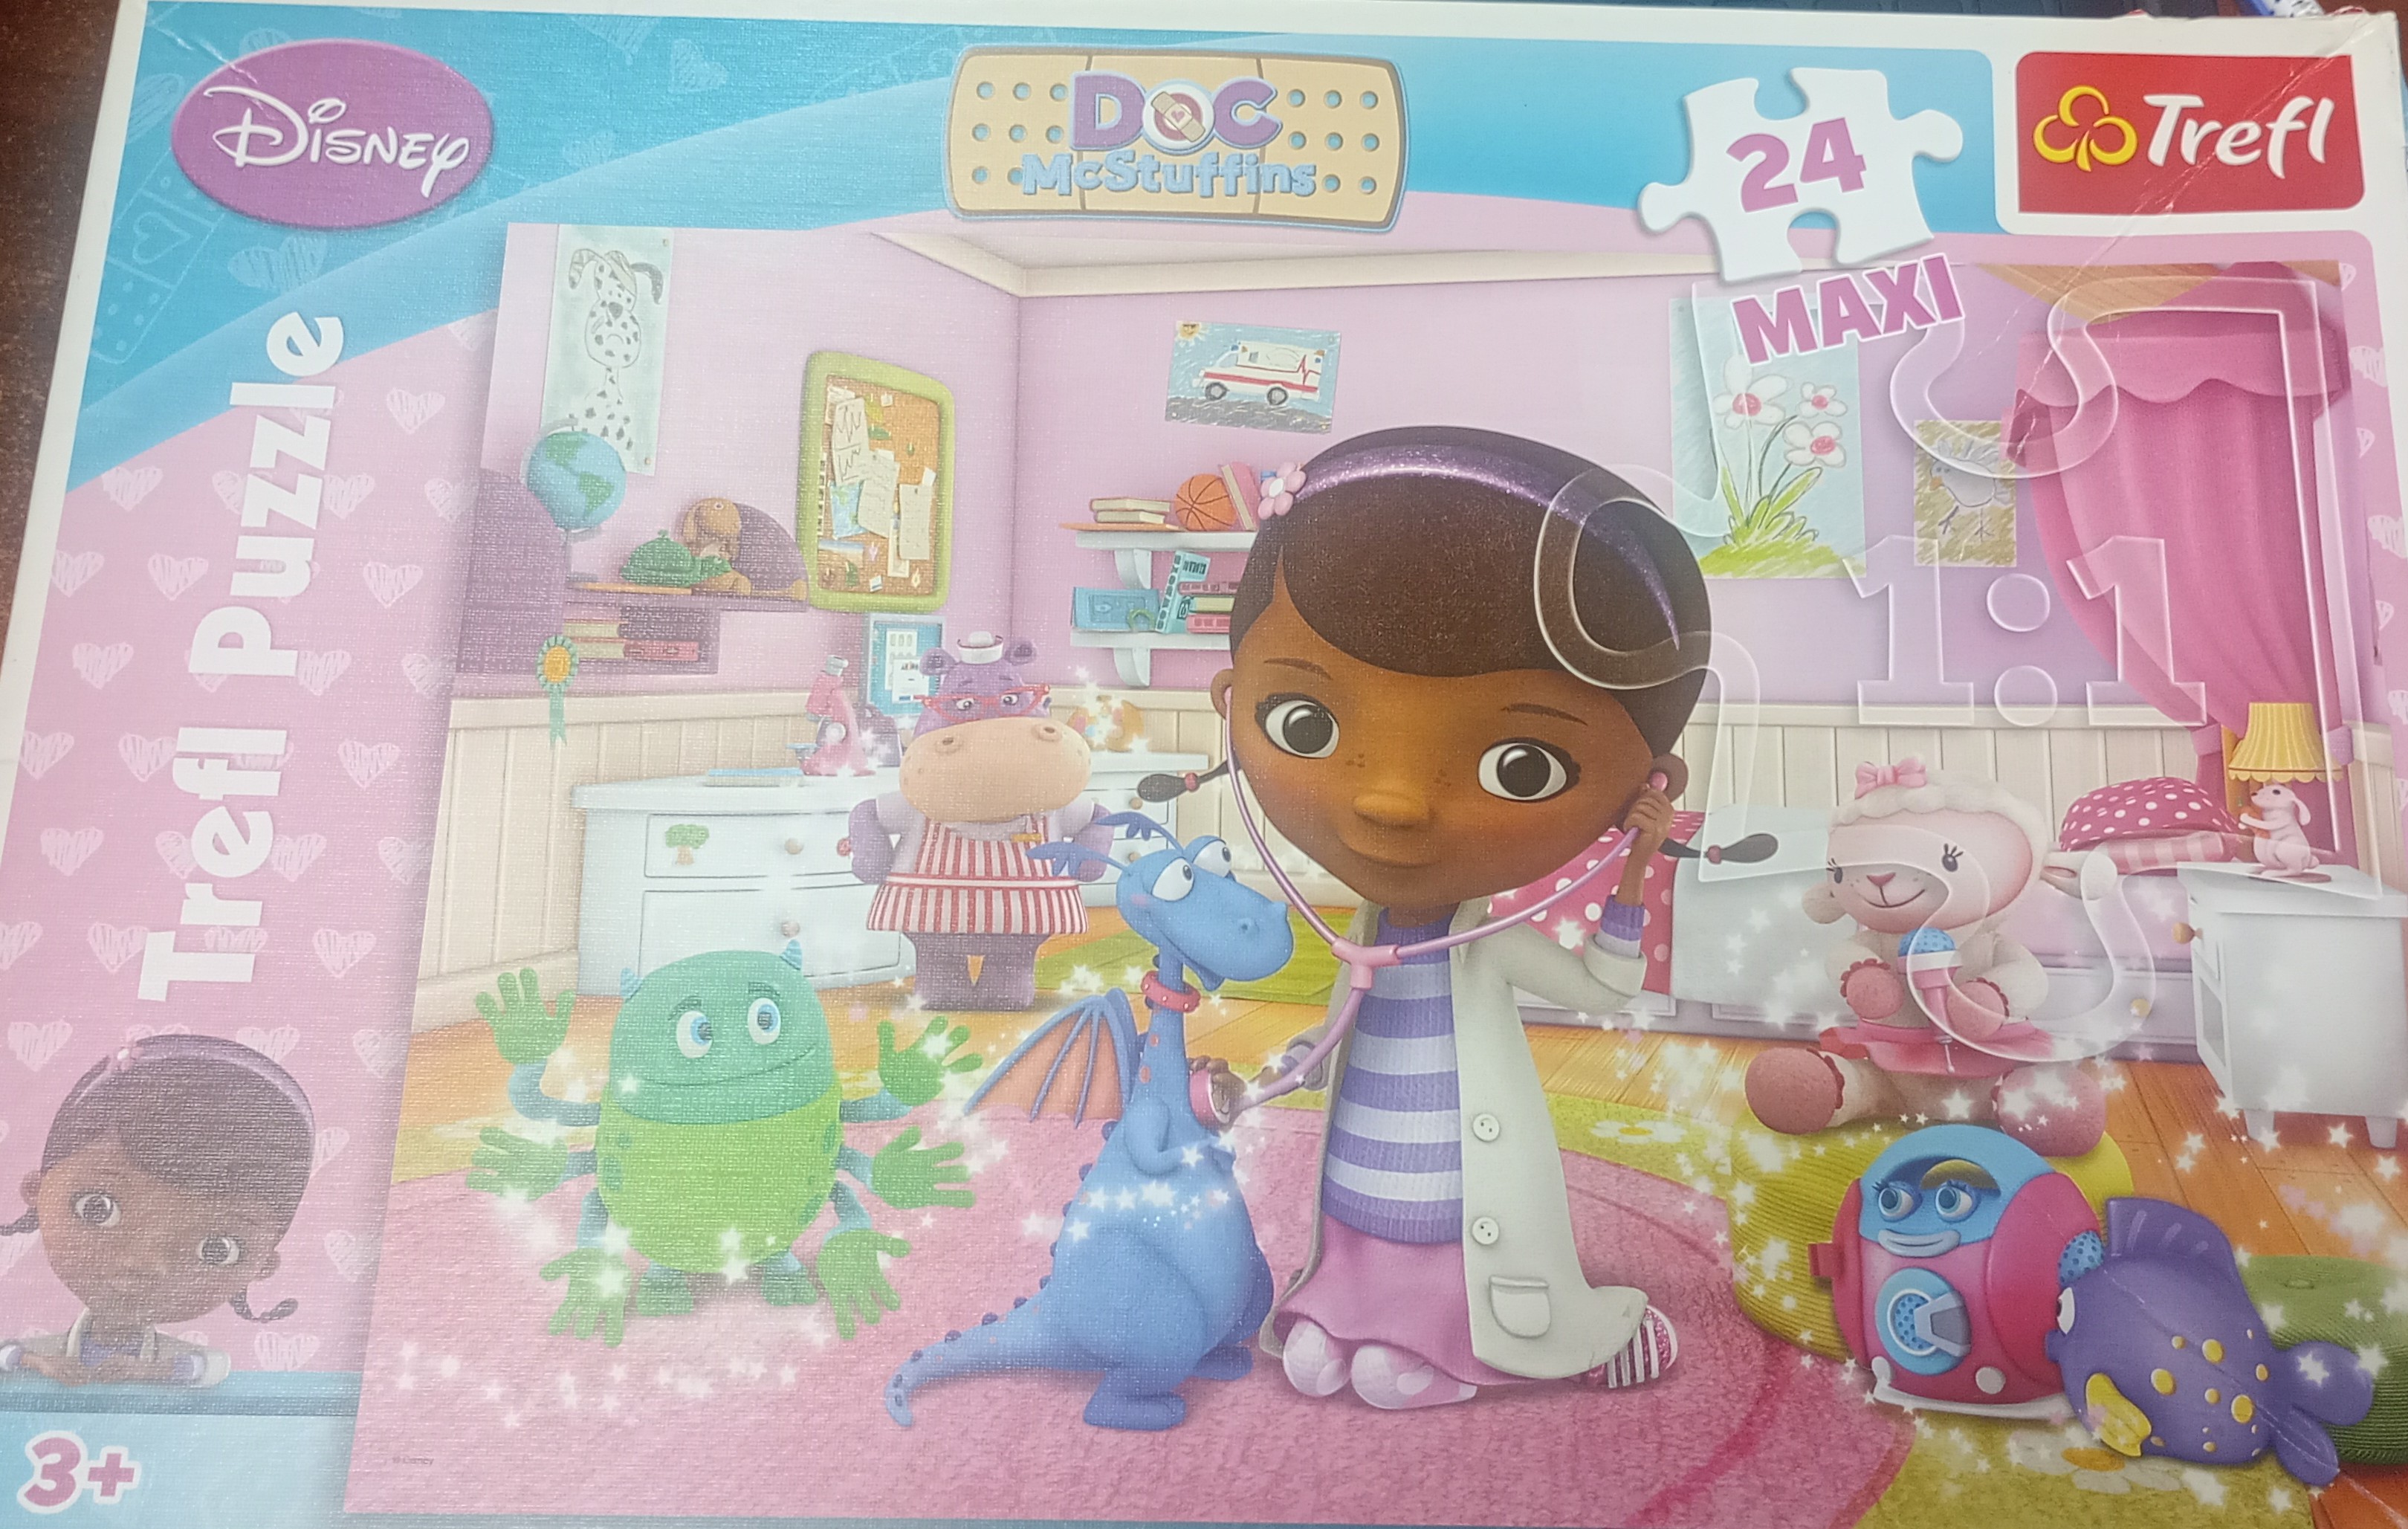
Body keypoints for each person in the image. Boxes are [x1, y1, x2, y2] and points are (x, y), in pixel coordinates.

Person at [1177, 427, 1714, 1410]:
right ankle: (1355, 1308)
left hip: (1459, 1217)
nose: (1391, 803)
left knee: (1390, 1372)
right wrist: (1278, 1071)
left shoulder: (1487, 943)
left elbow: (1605, 988)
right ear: (1231, 701)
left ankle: (1490, 1336)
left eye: (1523, 766)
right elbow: (1337, 1033)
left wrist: (1638, 866)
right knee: (1313, 1356)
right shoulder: (1363, 931)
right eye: (1306, 722)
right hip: (1358, 1202)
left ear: (1647, 784)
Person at [0, 1034, 314, 1387]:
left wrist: (151, 1372)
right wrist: (38, 1361)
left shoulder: (175, 1357)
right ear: (36, 1191)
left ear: (263, 1265)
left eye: (217, 1249)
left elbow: (215, 1365)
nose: (146, 1263)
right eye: (97, 1209)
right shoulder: (50, 1349)